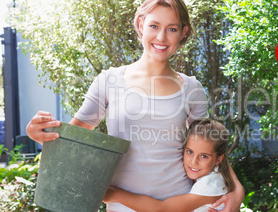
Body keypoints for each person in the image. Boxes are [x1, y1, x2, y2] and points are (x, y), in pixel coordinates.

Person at [26, 0, 244, 211]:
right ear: (141, 25)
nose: (161, 37)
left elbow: (208, 144)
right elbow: (72, 138)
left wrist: (236, 187)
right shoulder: (109, 81)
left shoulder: (191, 88)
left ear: (183, 33)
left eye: (172, 29)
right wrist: (41, 133)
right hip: (121, 206)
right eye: (154, 26)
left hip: (177, 202)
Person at [103, 119, 234, 212]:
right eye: (189, 152)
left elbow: (161, 209)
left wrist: (114, 194)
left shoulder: (211, 185)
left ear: (219, 159)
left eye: (204, 156)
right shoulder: (210, 177)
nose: (194, 162)